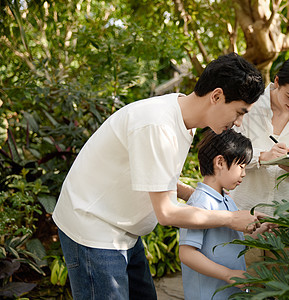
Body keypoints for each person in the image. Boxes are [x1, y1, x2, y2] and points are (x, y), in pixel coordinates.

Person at [52, 53, 265, 300]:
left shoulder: (185, 121)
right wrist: (230, 218)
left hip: (125, 231)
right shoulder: (158, 125)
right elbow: (167, 213)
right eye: (239, 112)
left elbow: (156, 175)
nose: (238, 123)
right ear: (216, 96)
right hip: (93, 228)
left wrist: (196, 194)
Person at [179, 129, 273, 300]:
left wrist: (261, 229)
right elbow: (187, 253)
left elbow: (229, 240)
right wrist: (228, 274)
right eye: (241, 167)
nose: (244, 174)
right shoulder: (200, 203)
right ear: (220, 162)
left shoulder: (226, 200)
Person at [230, 55, 289, 215]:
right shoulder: (250, 106)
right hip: (243, 209)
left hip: (285, 213)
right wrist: (263, 157)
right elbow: (227, 154)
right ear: (277, 81)